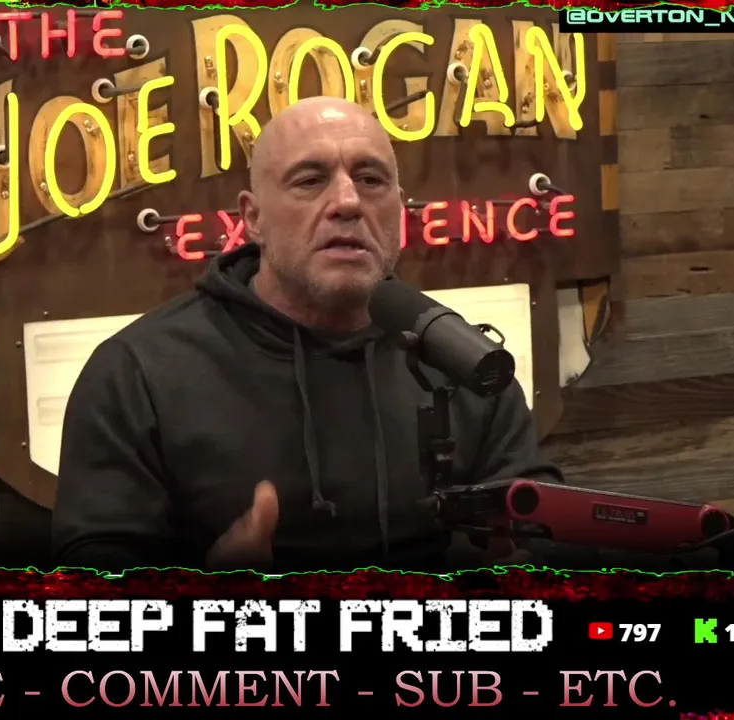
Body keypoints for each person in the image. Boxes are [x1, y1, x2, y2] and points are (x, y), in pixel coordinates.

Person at [52, 97, 562, 573]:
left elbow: (543, 523)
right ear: (253, 218)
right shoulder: (137, 374)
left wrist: (530, 561)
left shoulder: (460, 359)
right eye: (310, 180)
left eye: (370, 179)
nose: (348, 202)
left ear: (399, 210)